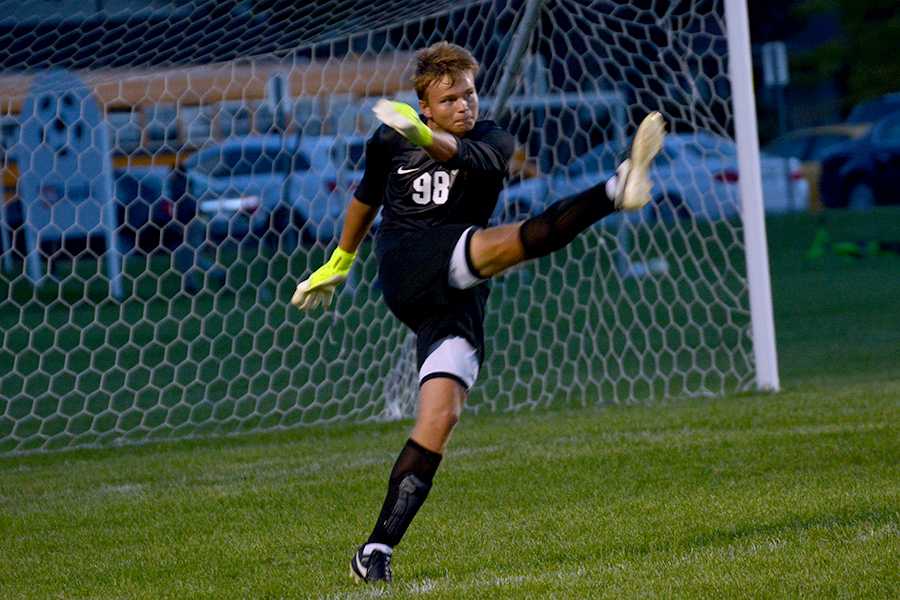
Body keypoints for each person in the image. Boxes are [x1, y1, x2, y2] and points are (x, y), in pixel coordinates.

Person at [291, 41, 665, 584]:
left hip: (457, 296)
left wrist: (422, 135)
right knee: (516, 238)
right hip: (409, 265)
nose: (464, 105)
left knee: (438, 421)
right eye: (449, 99)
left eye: (468, 94)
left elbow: (457, 155)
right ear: (426, 105)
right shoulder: (386, 141)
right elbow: (364, 200)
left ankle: (374, 551)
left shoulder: (493, 140)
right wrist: (339, 261)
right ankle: (613, 189)